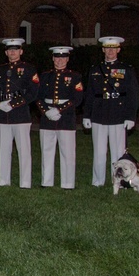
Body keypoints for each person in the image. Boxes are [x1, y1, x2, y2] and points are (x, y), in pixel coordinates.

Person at [83, 36, 139, 187]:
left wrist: (130, 116)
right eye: (107, 48)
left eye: (113, 48)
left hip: (118, 114)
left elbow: (132, 94)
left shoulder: (126, 69)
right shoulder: (95, 69)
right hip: (98, 113)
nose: (110, 51)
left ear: (118, 50)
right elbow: (90, 93)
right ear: (103, 50)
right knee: (99, 152)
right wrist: (86, 115)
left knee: (117, 152)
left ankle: (119, 181)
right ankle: (98, 181)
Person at [0, 38, 39, 188]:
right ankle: (4, 179)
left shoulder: (29, 69)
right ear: (6, 52)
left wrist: (14, 104)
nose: (12, 52)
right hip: (3, 114)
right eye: (10, 50)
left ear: (21, 51)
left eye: (15, 49)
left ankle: (25, 182)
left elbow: (33, 92)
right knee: (4, 149)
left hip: (21, 113)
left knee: (24, 150)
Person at [36, 46, 84, 189]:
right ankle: (46, 181)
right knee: (46, 150)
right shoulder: (45, 76)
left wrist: (60, 110)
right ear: (53, 58)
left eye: (63, 58)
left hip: (66, 118)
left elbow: (77, 98)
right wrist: (46, 111)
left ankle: (68, 183)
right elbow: (38, 97)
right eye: (57, 57)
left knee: (68, 152)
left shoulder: (75, 77)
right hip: (47, 118)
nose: (60, 60)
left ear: (67, 59)